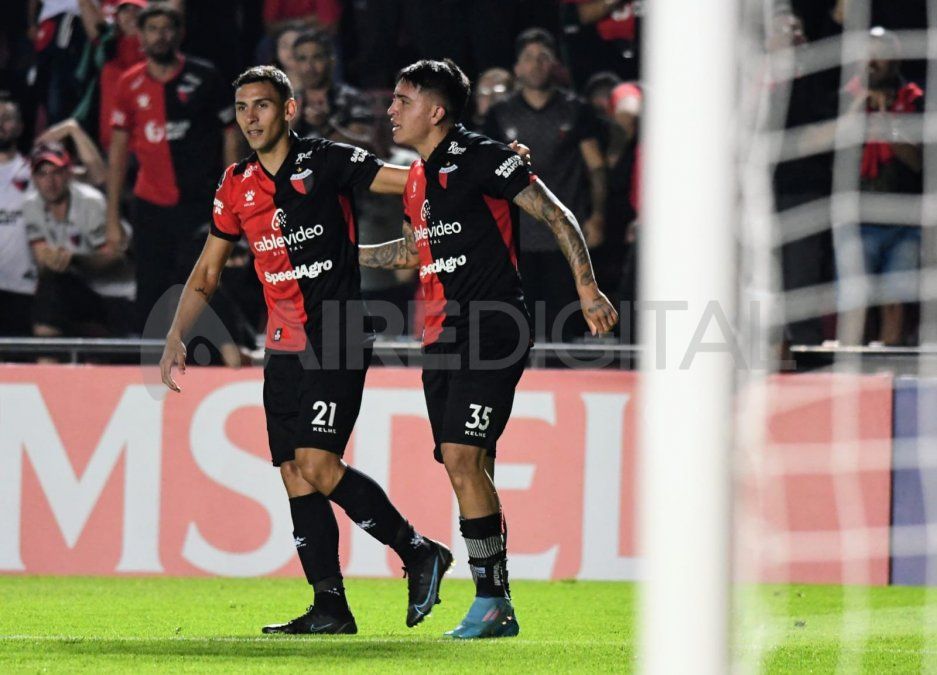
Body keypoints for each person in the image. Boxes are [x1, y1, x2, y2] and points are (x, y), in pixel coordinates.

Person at [158, 65, 454, 635]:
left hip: (337, 329)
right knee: (295, 472)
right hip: (283, 344)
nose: (251, 117)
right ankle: (330, 607)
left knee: (318, 464)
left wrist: (476, 165)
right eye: (242, 107)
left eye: (262, 105)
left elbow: (408, 178)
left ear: (288, 110)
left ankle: (418, 551)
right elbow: (208, 270)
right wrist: (175, 334)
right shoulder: (235, 185)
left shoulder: (327, 161)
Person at [360, 59, 618, 638]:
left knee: (460, 457)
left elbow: (556, 213)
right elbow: (410, 254)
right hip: (439, 334)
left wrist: (587, 286)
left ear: (437, 110)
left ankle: (491, 600)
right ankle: (494, 601)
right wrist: (336, 253)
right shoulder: (418, 179)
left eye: (403, 99)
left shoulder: (483, 156)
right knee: (470, 466)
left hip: (492, 324)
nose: (391, 109)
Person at [105, 2, 240, 335]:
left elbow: (231, 136)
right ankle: (147, 366)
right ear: (140, 36)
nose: (160, 36)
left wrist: (234, 197)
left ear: (180, 34)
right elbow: (119, 151)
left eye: (167, 29)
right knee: (150, 285)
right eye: (152, 29)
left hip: (199, 201)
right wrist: (111, 218)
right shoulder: (128, 83)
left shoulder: (204, 76)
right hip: (150, 205)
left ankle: (217, 356)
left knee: (201, 281)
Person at [483, 29, 607, 342]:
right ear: (517, 68)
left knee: (562, 330)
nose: (536, 65)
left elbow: (595, 166)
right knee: (516, 331)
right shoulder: (499, 114)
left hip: (564, 237)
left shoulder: (576, 109)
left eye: (544, 57)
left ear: (555, 65)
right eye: (529, 58)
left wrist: (598, 216)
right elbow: (485, 175)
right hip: (515, 239)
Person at [24, 142, 135, 339]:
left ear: (69, 174)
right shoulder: (32, 205)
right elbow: (43, 261)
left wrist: (75, 259)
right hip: (77, 290)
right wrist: (53, 261)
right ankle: (47, 361)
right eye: (42, 174)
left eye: (56, 172)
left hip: (117, 294)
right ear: (33, 178)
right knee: (49, 289)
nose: (50, 181)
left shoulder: (90, 202)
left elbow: (114, 259)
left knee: (54, 288)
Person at [0, 97, 37, 337]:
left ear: (21, 126)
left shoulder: (36, 171)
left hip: (22, 287)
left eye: (7, 118)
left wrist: (69, 129)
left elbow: (96, 175)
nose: (0, 123)